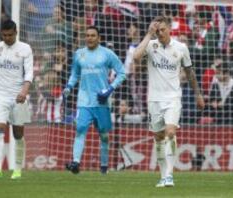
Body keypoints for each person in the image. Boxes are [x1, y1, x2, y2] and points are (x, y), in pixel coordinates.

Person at [133, 16, 205, 187]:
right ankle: (163, 175)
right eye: (157, 30)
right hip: (154, 99)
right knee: (158, 137)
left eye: (162, 29)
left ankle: (169, 175)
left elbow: (190, 73)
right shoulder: (151, 45)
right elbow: (136, 57)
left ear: (170, 29)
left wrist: (198, 94)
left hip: (173, 98)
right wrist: (148, 34)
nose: (160, 33)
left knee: (170, 132)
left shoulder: (181, 48)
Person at [63, 26, 125, 174]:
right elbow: (75, 74)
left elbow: (122, 72)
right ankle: (76, 163)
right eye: (87, 35)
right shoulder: (79, 54)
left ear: (99, 38)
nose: (89, 38)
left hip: (102, 102)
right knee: (80, 129)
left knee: (104, 136)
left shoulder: (107, 54)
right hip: (84, 100)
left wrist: (110, 89)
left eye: (93, 35)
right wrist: (69, 86)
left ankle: (104, 167)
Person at [0, 19, 33, 179]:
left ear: (16, 32)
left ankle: (17, 169)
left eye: (10, 35)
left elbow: (29, 73)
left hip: (18, 96)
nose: (7, 38)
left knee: (18, 134)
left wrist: (24, 91)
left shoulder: (25, 49)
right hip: (0, 95)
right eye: (4, 35)